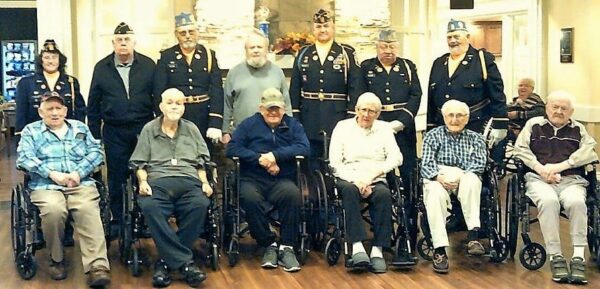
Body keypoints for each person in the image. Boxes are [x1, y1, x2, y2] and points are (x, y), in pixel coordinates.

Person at [16, 93, 110, 287]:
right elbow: (24, 158)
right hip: (46, 185)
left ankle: (97, 266)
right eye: (49, 108)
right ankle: (56, 259)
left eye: (58, 108)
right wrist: (51, 173)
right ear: (41, 112)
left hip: (79, 183)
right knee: (54, 210)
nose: (55, 112)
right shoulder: (31, 131)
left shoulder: (79, 128)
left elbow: (96, 152)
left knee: (87, 209)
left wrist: (79, 172)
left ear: (65, 111)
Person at [130, 88, 212, 288]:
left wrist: (205, 182)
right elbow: (139, 163)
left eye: (179, 102)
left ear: (184, 107)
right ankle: (186, 264)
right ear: (161, 106)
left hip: (189, 181)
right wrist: (142, 182)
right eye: (170, 102)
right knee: (149, 206)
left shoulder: (192, 129)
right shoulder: (150, 129)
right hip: (158, 182)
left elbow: (201, 163)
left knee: (201, 203)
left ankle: (165, 263)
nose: (174, 106)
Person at [513, 90, 598, 284]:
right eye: (555, 107)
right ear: (546, 108)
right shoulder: (533, 125)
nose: (559, 111)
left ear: (571, 112)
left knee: (577, 203)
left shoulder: (578, 129)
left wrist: (562, 166)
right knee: (548, 201)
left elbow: (589, 152)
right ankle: (555, 256)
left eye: (564, 108)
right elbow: (521, 150)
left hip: (571, 180)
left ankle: (578, 256)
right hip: (538, 179)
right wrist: (541, 170)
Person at [226, 88, 310, 272]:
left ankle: (287, 246)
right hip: (252, 178)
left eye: (277, 109)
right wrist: (260, 159)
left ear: (284, 108)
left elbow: (304, 148)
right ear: (261, 108)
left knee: (292, 195)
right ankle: (268, 242)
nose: (273, 113)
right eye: (269, 109)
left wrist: (275, 156)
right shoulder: (249, 125)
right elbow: (232, 149)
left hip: (281, 179)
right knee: (249, 198)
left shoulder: (293, 125)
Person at [88, 22, 157, 237]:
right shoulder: (102, 67)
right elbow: (93, 102)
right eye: (119, 40)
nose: (123, 43)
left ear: (134, 42)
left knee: (144, 174)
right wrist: (94, 135)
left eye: (127, 39)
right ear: (113, 43)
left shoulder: (148, 65)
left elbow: (157, 98)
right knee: (116, 176)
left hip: (143, 128)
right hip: (114, 130)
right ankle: (117, 219)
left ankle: (143, 219)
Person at [329, 92, 402, 273]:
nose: (366, 115)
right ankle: (357, 247)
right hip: (349, 176)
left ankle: (378, 250)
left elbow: (396, 157)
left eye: (372, 111)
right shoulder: (342, 127)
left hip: (375, 177)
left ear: (378, 114)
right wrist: (357, 181)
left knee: (384, 195)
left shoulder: (385, 129)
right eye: (363, 110)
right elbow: (335, 162)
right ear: (356, 110)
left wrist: (372, 177)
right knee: (349, 191)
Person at [360, 30, 421, 244]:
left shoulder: (407, 67)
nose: (388, 50)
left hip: (403, 128)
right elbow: (360, 96)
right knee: (378, 174)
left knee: (408, 175)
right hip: (375, 126)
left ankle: (409, 227)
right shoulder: (366, 68)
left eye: (392, 46)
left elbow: (416, 95)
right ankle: (380, 225)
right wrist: (374, 123)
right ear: (377, 47)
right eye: (384, 46)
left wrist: (402, 121)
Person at [289, 8, 364, 168]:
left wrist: (352, 117)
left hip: (337, 116)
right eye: (318, 26)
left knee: (336, 159)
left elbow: (355, 87)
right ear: (313, 29)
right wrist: (296, 115)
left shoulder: (346, 53)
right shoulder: (303, 53)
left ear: (333, 27)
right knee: (310, 161)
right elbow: (295, 87)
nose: (322, 30)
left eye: (326, 26)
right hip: (310, 116)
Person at [420, 100, 487, 274]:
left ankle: (473, 236)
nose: (455, 119)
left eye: (459, 116)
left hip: (465, 175)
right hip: (438, 175)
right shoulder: (432, 136)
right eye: (450, 115)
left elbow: (479, 165)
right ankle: (440, 250)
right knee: (434, 194)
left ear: (467, 118)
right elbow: (426, 164)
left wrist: (460, 177)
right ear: (444, 117)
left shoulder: (476, 138)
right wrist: (439, 177)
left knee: (472, 180)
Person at [427, 19, 508, 144]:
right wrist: (430, 126)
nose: (453, 41)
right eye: (449, 37)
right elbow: (431, 99)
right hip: (443, 128)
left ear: (468, 37)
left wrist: (500, 124)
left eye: (456, 36)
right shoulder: (439, 63)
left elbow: (497, 95)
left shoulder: (482, 60)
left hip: (475, 126)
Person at [154, 12, 224, 152]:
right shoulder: (167, 56)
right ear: (176, 35)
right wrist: (163, 118)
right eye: (183, 32)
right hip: (176, 114)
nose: (187, 36)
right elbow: (158, 90)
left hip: (203, 114)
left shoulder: (209, 55)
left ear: (197, 33)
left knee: (203, 156)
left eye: (191, 32)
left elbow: (216, 90)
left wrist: (215, 123)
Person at [222, 29, 292, 144]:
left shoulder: (277, 72)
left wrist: (289, 129)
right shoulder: (234, 73)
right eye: (252, 47)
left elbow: (286, 104)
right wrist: (225, 132)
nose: (256, 51)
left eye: (259, 47)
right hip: (242, 136)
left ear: (266, 50)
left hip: (273, 136)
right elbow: (227, 105)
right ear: (246, 50)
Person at [16, 39, 86, 135]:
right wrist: (20, 137)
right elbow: (21, 114)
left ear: (60, 60)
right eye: (47, 57)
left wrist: (80, 135)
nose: (51, 61)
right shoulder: (26, 83)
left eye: (54, 57)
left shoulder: (71, 82)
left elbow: (79, 112)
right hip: (36, 136)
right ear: (41, 60)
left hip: (66, 137)